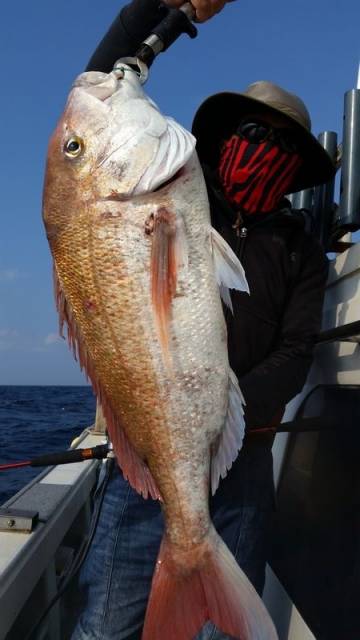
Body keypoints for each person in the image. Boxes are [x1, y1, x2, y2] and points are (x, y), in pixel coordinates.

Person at [71, 1, 336, 638]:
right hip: (147, 456)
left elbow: (298, 349)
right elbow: (96, 88)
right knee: (106, 624)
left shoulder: (299, 248)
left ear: (297, 168)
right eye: (253, 132)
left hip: (245, 465)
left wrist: (223, 412)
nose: (264, 148)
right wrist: (158, 9)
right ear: (224, 138)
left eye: (282, 145)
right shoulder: (177, 194)